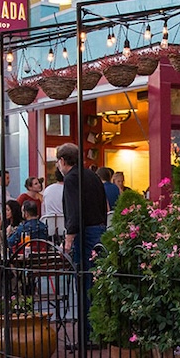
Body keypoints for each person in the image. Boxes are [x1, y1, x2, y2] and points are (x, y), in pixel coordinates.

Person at [57, 143, 107, 342]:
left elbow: (74, 210)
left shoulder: (71, 178)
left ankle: (88, 335)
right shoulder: (92, 175)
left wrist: (69, 239)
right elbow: (104, 205)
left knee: (84, 282)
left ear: (62, 161)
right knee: (95, 283)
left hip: (84, 234)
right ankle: (97, 332)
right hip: (99, 230)